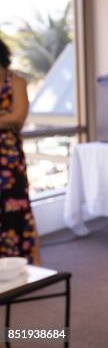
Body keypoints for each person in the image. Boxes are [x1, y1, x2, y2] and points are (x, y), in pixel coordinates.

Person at [0, 37, 40, 265]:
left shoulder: (16, 81)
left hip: (9, 160)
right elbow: (10, 118)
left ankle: (21, 265)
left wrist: (9, 120)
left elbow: (18, 118)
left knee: (15, 207)